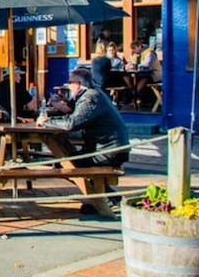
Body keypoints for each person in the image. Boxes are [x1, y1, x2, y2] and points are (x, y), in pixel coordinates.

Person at [37, 68, 130, 216]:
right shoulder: (92, 94)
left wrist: (47, 122)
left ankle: (106, 201)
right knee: (68, 161)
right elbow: (72, 114)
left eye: (70, 83)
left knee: (68, 164)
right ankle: (103, 199)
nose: (68, 86)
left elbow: (71, 123)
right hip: (106, 147)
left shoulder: (91, 97)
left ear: (78, 84)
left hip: (109, 151)